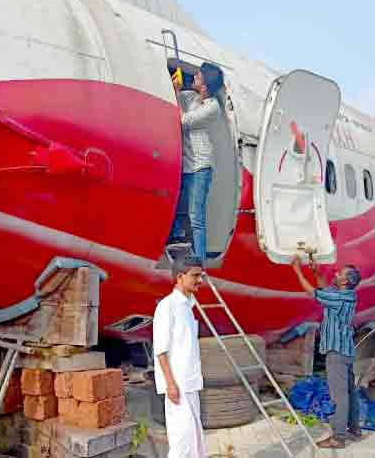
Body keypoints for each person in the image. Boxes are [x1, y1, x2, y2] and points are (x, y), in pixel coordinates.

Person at [290, 255, 362, 449]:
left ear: (345, 281)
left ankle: (338, 437)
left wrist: (297, 270)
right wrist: (316, 272)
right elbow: (325, 291)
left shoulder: (338, 298)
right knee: (350, 392)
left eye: (340, 274)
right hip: (346, 351)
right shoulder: (348, 295)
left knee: (339, 396)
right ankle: (354, 430)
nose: (336, 274)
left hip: (336, 352)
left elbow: (313, 293)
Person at [167, 62, 225, 263]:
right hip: (186, 164)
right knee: (178, 207)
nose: (194, 77)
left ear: (205, 86)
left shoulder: (212, 108)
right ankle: (175, 238)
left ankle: (199, 260)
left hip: (200, 166)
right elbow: (175, 101)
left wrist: (176, 92)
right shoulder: (192, 98)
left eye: (198, 76)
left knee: (196, 216)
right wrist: (174, 89)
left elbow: (184, 121)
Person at [152, 255, 207, 458]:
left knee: (195, 440)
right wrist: (170, 384)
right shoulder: (167, 306)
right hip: (178, 385)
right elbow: (161, 349)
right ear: (180, 277)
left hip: (190, 383)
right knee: (181, 443)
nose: (200, 280)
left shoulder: (187, 307)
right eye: (195, 276)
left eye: (201, 276)